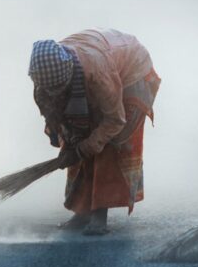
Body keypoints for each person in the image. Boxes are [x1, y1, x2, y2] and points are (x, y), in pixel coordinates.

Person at [28, 29, 160, 235]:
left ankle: (99, 213)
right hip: (104, 59)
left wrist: (83, 149)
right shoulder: (44, 77)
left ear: (69, 75)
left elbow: (115, 120)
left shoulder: (97, 74)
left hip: (132, 72)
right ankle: (82, 212)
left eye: (60, 88)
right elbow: (56, 117)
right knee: (79, 139)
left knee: (107, 142)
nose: (55, 93)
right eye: (51, 89)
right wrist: (67, 145)